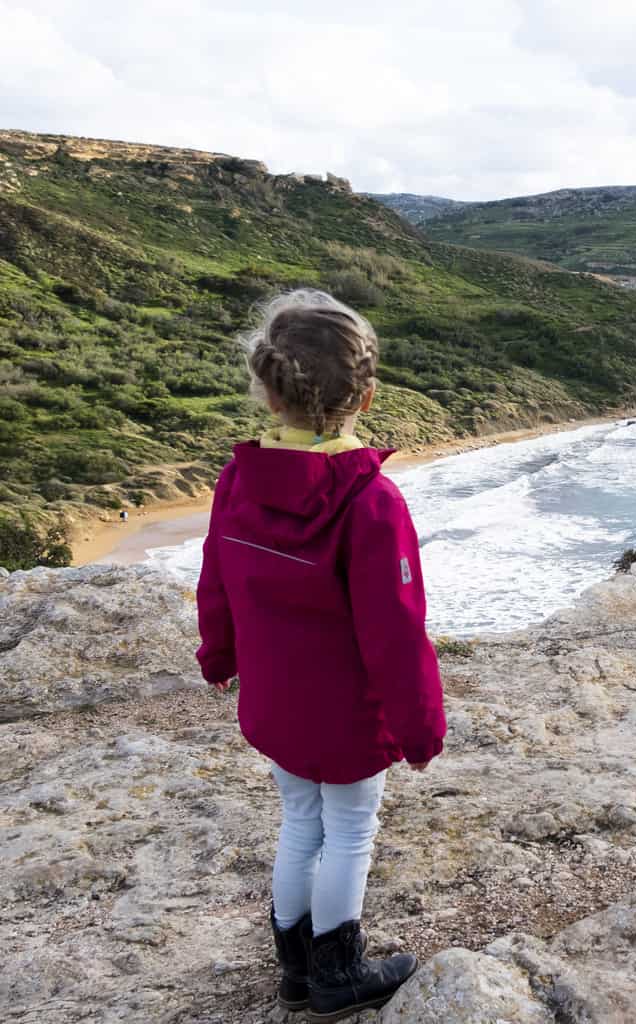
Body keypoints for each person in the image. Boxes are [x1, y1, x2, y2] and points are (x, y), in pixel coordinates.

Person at [195, 290, 446, 1021]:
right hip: (345, 714)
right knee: (350, 831)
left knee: (300, 822)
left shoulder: (238, 478)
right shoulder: (370, 501)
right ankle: (338, 971)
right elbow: (396, 632)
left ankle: (295, 968)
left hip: (273, 702)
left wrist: (218, 658)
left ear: (268, 393)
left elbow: (217, 581)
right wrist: (420, 729)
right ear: (365, 397)